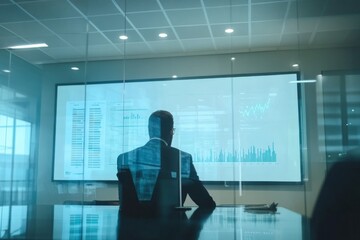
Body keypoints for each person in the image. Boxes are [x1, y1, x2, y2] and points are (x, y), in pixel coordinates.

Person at [117, 110, 216, 215]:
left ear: (149, 130)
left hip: (130, 229)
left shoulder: (124, 158)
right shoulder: (182, 158)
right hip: (171, 228)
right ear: (171, 131)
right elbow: (206, 203)